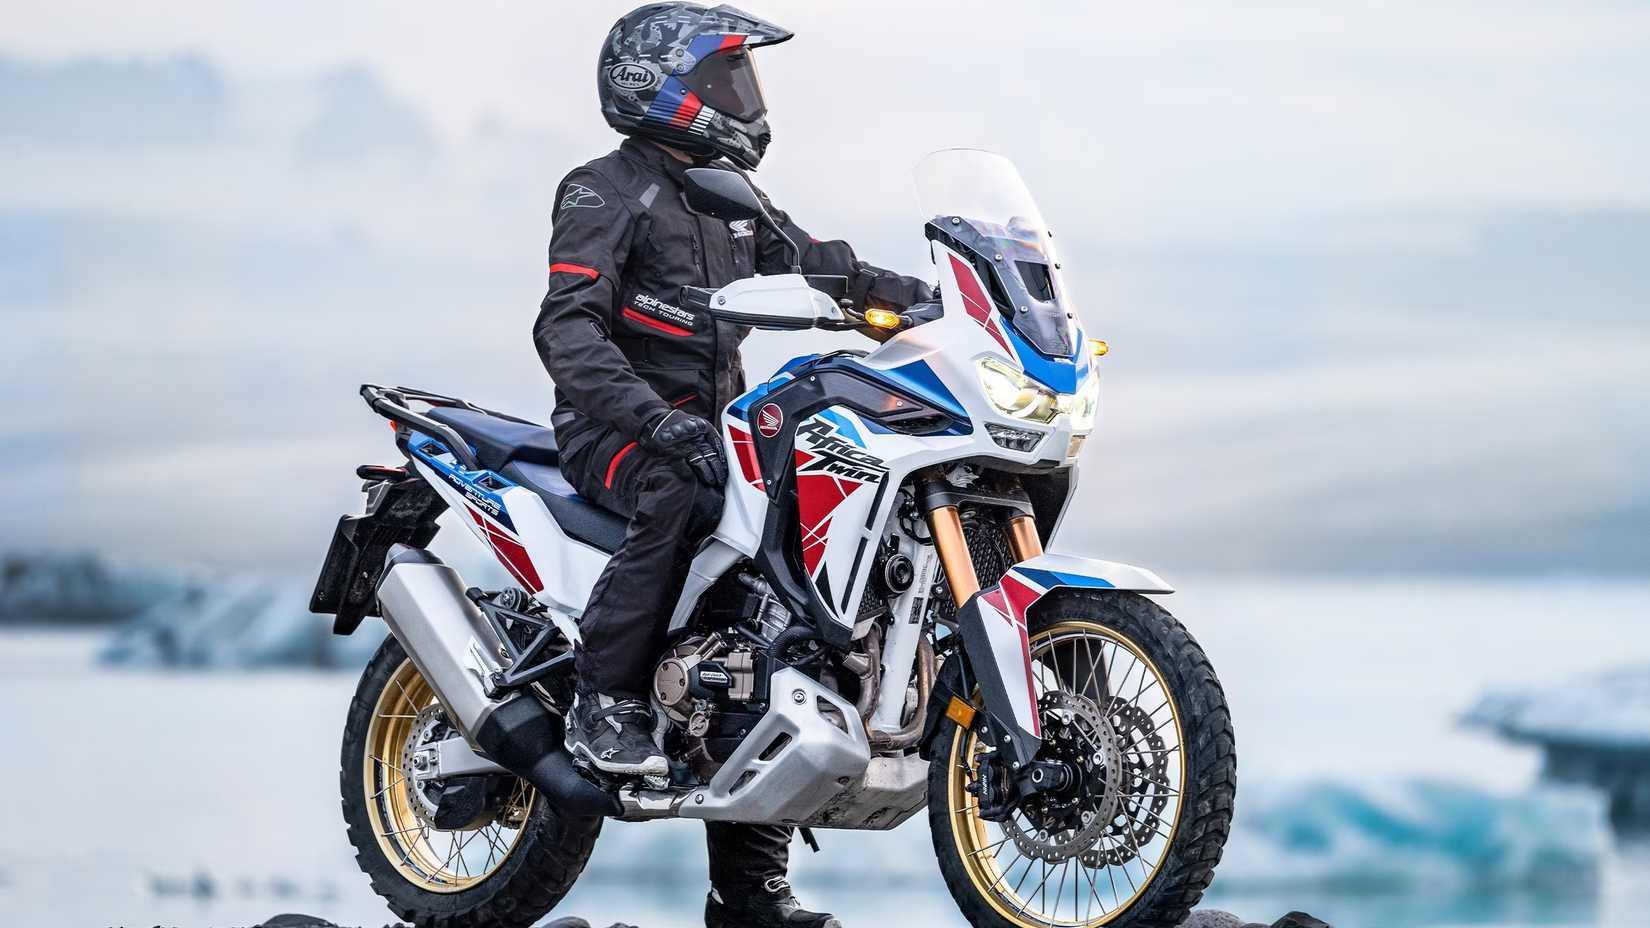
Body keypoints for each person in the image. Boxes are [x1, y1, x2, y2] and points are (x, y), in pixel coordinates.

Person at [531, 5, 931, 927]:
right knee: (683, 486)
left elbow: (824, 269)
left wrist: (932, 301)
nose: (744, 97)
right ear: (658, 84)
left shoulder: (730, 198)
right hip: (616, 428)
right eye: (725, 79)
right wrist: (652, 420)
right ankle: (604, 697)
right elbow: (567, 329)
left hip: (714, 431)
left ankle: (749, 894)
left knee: (779, 618)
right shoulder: (604, 190)